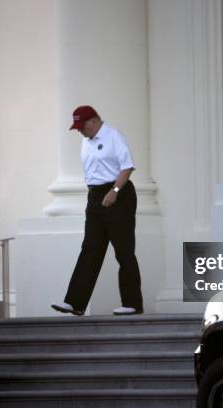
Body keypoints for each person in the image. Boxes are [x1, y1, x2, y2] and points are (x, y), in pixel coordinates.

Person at [52, 105, 143, 316]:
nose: (80, 132)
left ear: (94, 121)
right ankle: (75, 303)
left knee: (124, 251)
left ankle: (132, 303)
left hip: (118, 195)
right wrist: (95, 196)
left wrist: (115, 191)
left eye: (82, 127)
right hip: (95, 197)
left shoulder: (114, 136)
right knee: (90, 248)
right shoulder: (86, 140)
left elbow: (127, 166)